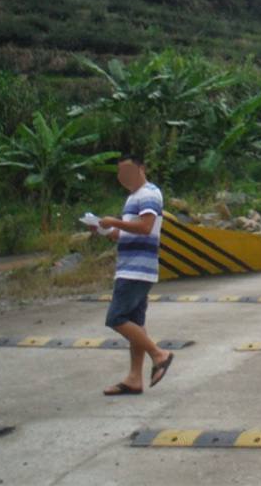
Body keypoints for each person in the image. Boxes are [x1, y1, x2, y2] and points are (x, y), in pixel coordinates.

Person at [98, 158, 174, 395]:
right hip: (132, 267)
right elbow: (128, 234)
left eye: (128, 170)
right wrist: (106, 229)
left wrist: (114, 221)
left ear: (141, 169)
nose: (124, 176)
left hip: (136, 269)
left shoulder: (149, 194)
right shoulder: (134, 197)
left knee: (116, 318)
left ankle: (159, 354)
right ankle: (134, 378)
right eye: (120, 172)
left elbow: (145, 227)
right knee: (136, 322)